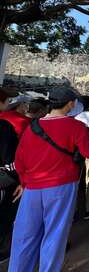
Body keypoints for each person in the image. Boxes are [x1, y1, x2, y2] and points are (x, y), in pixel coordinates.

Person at [9, 87, 89, 272]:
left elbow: (20, 159)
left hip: (32, 187)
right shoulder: (76, 127)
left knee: (25, 236)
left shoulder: (33, 126)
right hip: (61, 186)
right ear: (71, 104)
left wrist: (24, 182)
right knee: (55, 235)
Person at [0, 88, 20, 265]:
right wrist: (19, 178)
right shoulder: (4, 127)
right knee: (4, 215)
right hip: (3, 179)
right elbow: (9, 159)